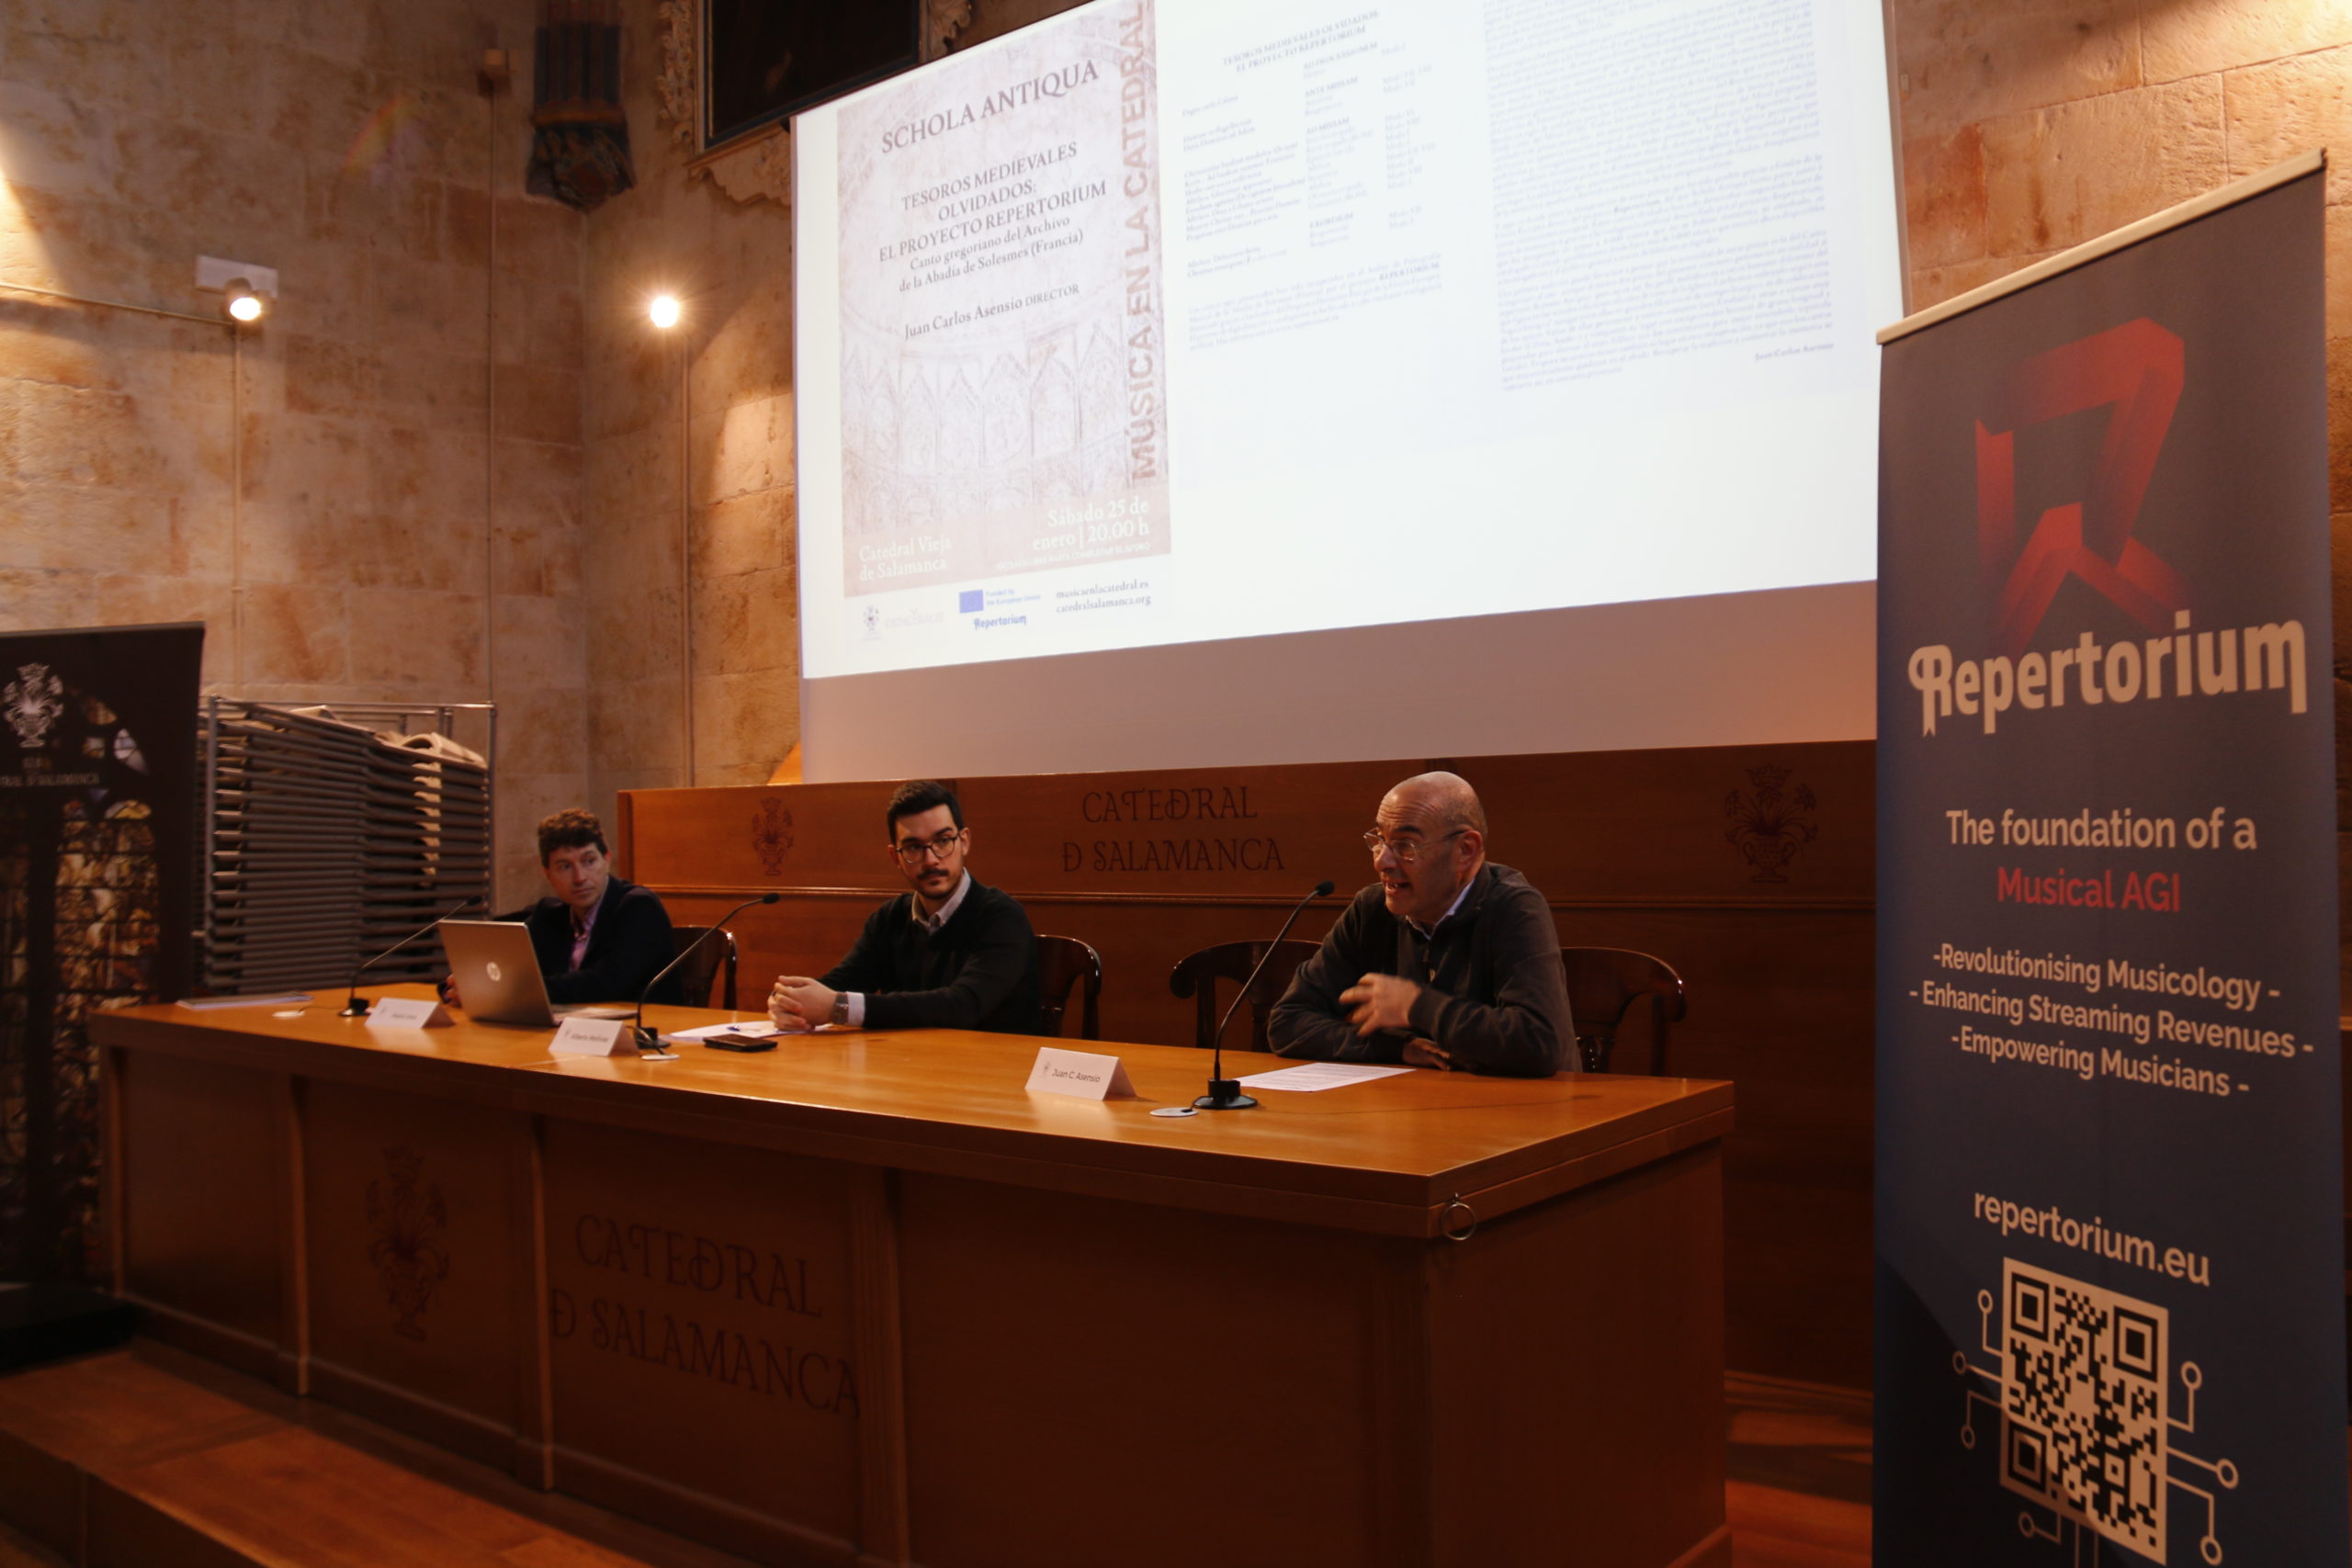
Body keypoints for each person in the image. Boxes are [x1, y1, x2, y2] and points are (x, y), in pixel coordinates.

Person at [1268, 772, 1570, 1076]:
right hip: (1410, 1097)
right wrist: (1398, 1048)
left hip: (1519, 1102)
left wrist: (1417, 1006)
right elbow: (1288, 1021)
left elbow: (1538, 1042)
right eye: (1379, 840)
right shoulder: (1371, 909)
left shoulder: (1513, 907)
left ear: (1465, 850)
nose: (1382, 861)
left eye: (1405, 845)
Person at [768, 780, 1043, 1034]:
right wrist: (789, 1001)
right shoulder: (890, 918)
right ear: (895, 857)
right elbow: (841, 983)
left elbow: (963, 1006)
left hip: (992, 1065)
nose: (931, 859)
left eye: (943, 841)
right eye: (913, 847)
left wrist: (839, 1008)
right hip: (908, 1062)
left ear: (964, 842)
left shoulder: (1002, 916)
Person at [443, 808, 682, 1007]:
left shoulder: (639, 907)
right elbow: (509, 969)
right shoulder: (549, 914)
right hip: (571, 1031)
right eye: (565, 867)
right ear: (547, 873)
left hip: (645, 1034)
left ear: (607, 859)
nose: (580, 877)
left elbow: (607, 982)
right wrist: (465, 985)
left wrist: (506, 991)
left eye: (589, 861)